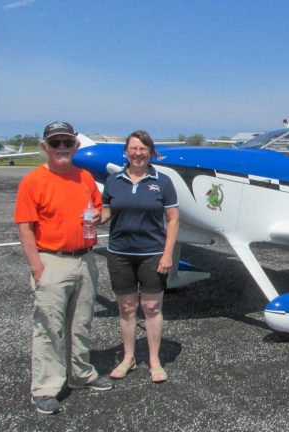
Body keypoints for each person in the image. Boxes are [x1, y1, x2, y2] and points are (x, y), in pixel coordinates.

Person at [14, 121, 113, 415]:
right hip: (51, 261)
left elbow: (102, 210)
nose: (61, 148)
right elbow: (25, 228)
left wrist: (101, 216)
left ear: (75, 147)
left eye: (66, 143)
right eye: (55, 143)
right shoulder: (33, 181)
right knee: (49, 328)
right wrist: (37, 268)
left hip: (85, 259)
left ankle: (81, 374)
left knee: (81, 323)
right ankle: (45, 388)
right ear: (45, 147)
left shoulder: (84, 177)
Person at [100, 130, 179, 384]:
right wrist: (90, 216)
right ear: (126, 151)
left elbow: (173, 218)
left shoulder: (163, 181)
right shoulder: (114, 181)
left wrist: (167, 254)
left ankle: (155, 360)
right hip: (120, 254)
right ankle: (129, 358)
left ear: (150, 152)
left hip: (152, 254)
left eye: (143, 149)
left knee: (152, 307)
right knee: (126, 308)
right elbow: (105, 213)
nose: (138, 153)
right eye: (133, 148)